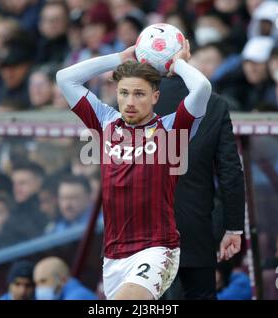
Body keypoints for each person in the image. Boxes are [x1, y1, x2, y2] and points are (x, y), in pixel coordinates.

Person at [56, 40, 212, 299]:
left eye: (139, 94)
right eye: (123, 92)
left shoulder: (172, 129)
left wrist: (179, 64)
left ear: (155, 96)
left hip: (157, 249)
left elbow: (202, 88)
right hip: (114, 254)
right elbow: (65, 78)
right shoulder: (105, 122)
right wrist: (119, 57)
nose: (129, 101)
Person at [155, 74, 245, 299]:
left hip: (129, 235)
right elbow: (230, 173)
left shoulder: (125, 103)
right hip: (193, 233)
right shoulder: (213, 104)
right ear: (184, 55)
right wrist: (233, 227)